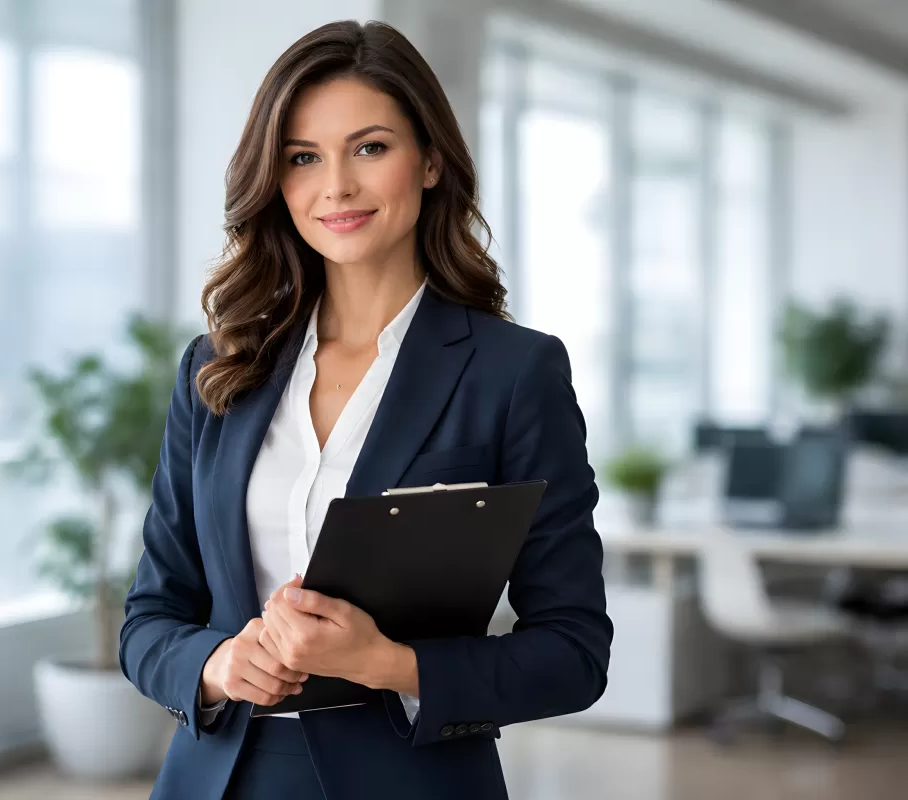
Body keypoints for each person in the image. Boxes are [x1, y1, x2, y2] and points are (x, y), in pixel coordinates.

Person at [119, 19, 612, 800]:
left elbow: (574, 653)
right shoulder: (218, 369)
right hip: (219, 781)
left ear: (431, 162)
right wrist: (217, 665)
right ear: (274, 182)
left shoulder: (515, 373)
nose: (336, 187)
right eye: (303, 158)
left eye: (370, 148)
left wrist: (386, 664)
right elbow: (151, 618)